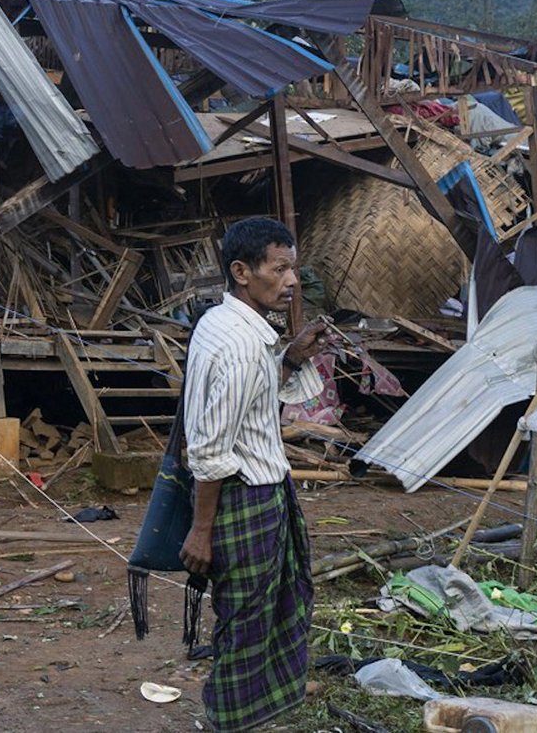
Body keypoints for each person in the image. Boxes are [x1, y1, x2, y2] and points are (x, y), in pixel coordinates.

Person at [179, 216, 332, 732]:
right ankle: (230, 720)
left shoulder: (224, 324)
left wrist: (288, 359)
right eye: (280, 269)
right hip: (246, 499)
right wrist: (202, 530)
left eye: (293, 268)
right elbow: (211, 448)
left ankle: (253, 714)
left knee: (264, 610)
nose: (291, 282)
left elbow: (250, 404)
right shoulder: (242, 346)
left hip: (260, 491)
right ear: (242, 271)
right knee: (248, 620)